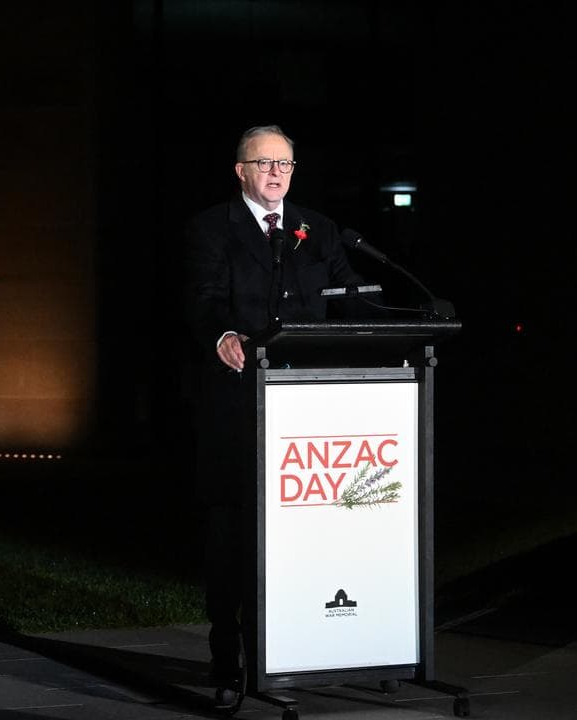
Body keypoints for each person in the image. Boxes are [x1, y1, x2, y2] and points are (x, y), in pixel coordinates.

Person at [182, 125, 369, 707]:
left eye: (285, 164)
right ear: (240, 170)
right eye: (263, 163)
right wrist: (222, 335)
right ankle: (225, 653)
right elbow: (204, 298)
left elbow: (349, 296)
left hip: (309, 407)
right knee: (232, 532)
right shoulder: (211, 228)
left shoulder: (318, 229)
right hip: (240, 408)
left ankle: (306, 645)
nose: (276, 173)